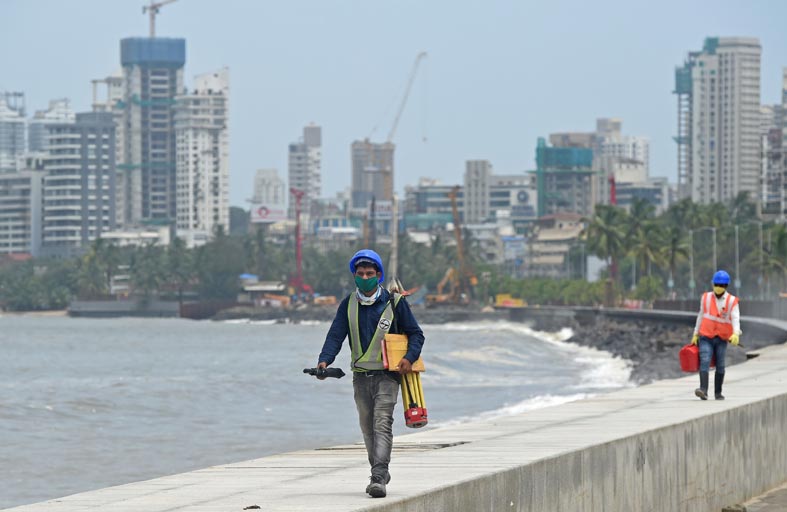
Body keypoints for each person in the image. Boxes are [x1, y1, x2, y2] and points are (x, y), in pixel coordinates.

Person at [316, 249, 425, 498]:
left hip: (388, 376)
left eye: (369, 273)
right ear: (354, 275)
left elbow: (416, 334)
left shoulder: (395, 303)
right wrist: (324, 361)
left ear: (378, 275)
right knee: (367, 428)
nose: (365, 277)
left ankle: (378, 477)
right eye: (360, 273)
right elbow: (336, 335)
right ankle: (379, 469)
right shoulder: (348, 304)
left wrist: (409, 358)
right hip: (360, 377)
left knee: (382, 424)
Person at [691, 270, 741, 400]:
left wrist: (736, 333)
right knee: (705, 360)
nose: (719, 287)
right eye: (717, 284)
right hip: (706, 336)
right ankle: (703, 390)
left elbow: (735, 318)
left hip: (722, 338)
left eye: (722, 285)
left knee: (720, 364)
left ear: (726, 286)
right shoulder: (706, 297)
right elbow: (701, 315)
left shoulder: (731, 301)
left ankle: (718, 393)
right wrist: (695, 333)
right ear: (713, 284)